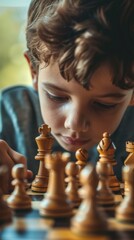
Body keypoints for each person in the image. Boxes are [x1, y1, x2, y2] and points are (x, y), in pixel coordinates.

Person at [0, 0, 134, 190]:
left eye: (104, 104)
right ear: (34, 71)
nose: (75, 123)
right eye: (56, 96)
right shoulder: (10, 115)